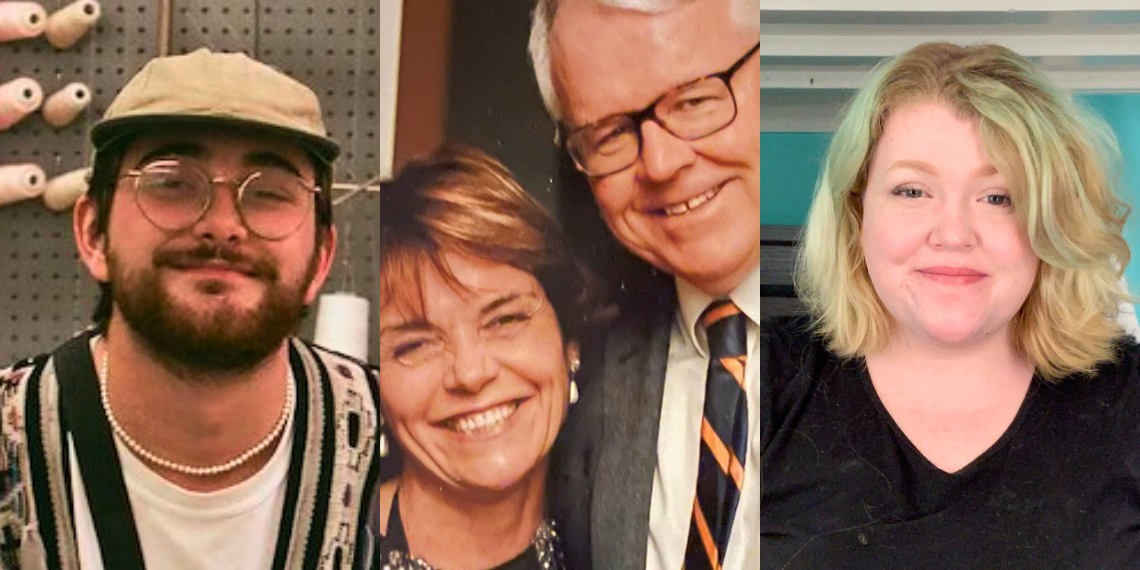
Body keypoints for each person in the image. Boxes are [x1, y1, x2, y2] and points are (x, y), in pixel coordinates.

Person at [0, 49, 384, 569]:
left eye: (270, 192)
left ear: (320, 260)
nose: (223, 224)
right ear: (93, 233)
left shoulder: (410, 455)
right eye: (172, 182)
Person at [762, 41, 1140, 568]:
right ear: (857, 213)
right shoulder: (755, 385)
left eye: (998, 197)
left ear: (1051, 224)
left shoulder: (1128, 401)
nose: (954, 233)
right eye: (913, 191)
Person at [527, 0, 760, 568]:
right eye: (609, 135)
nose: (660, 163)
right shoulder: (579, 380)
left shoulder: (897, 331)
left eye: (696, 100)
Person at [364, 146, 610, 570]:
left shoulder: (627, 535)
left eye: (504, 320)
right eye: (415, 345)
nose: (471, 373)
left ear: (570, 341)